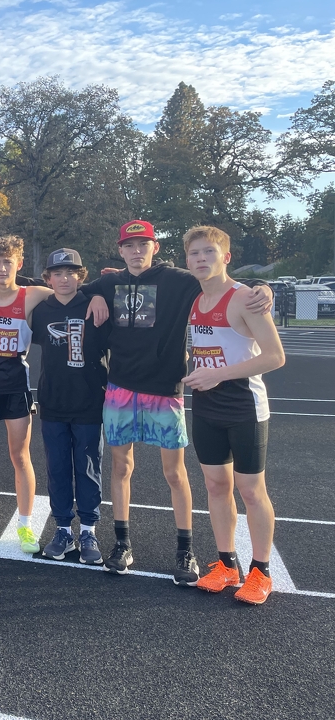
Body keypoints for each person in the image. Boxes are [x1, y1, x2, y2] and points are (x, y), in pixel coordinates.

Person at [83, 220, 273, 583]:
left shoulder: (181, 280)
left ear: (155, 247)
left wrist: (263, 287)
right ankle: (122, 542)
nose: (136, 251)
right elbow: (74, 287)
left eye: (143, 245)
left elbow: (224, 280)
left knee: (175, 473)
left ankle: (185, 550)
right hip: (120, 388)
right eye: (129, 246)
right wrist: (92, 293)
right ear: (120, 249)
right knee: (121, 468)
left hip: (164, 390)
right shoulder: (107, 284)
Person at [182, 226, 285, 605]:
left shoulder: (244, 299)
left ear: (225, 257)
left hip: (243, 406)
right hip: (207, 406)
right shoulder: (195, 298)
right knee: (215, 486)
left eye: (209, 252)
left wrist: (216, 374)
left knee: (251, 491)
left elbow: (275, 356)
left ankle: (261, 571)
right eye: (194, 253)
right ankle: (227, 564)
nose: (201, 259)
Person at [0, 236, 57, 554]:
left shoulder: (32, 296)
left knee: (20, 457)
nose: (2, 268)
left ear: (19, 264)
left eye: (8, 262)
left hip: (15, 387)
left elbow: (70, 290)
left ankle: (25, 526)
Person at [32, 249, 109, 565]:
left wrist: (99, 293)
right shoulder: (39, 310)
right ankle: (63, 529)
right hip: (53, 403)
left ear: (82, 275)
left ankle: (88, 530)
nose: (64, 279)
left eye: (71, 272)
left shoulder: (94, 305)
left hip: (90, 402)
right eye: (58, 273)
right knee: (58, 468)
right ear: (48, 278)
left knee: (88, 468)